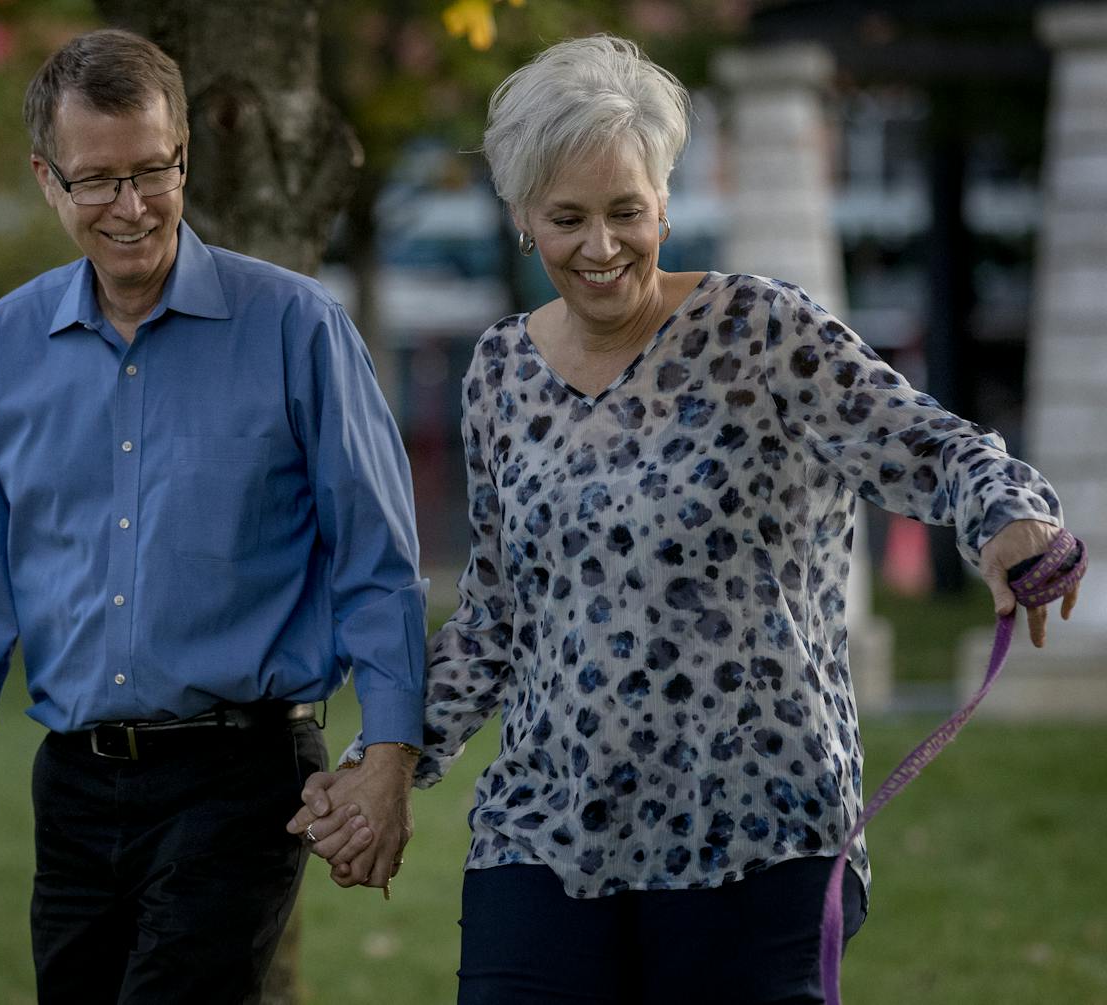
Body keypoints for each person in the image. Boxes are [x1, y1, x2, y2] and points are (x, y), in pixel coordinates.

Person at [289, 34, 1082, 1004]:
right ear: (522, 219)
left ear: (663, 198)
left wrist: (1008, 519)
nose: (600, 245)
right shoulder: (498, 368)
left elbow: (928, 446)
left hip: (752, 830)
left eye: (625, 211)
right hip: (547, 827)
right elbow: (498, 611)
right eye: (566, 217)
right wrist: (386, 761)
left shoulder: (760, 330)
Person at [0, 28, 425, 1004]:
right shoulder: (4, 346)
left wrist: (385, 755)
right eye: (96, 180)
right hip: (73, 787)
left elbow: (374, 561)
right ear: (46, 177)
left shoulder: (296, 328)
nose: (130, 207)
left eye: (152, 171)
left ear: (184, 156)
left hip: (238, 776)